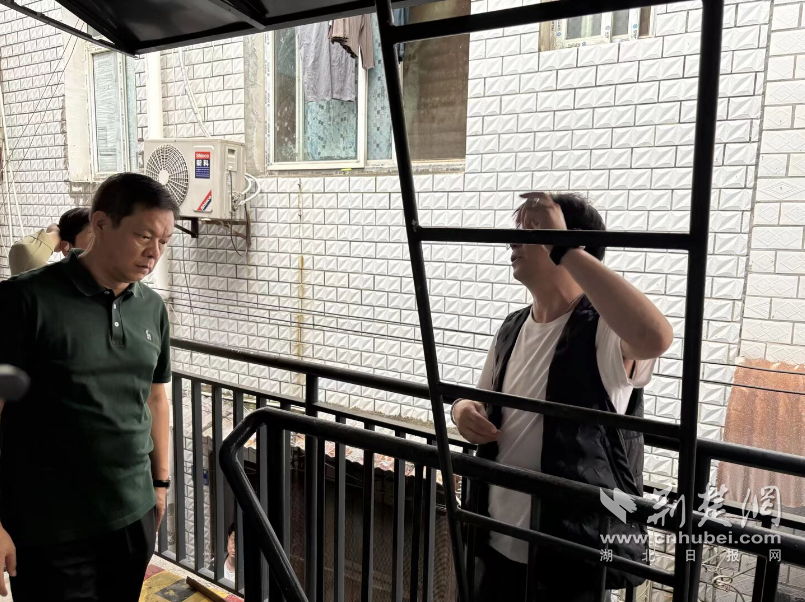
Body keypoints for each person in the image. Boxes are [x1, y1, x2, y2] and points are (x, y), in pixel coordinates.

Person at [452, 192, 674, 601]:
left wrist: (565, 247)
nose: (513, 241)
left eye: (532, 231)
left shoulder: (604, 329)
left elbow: (655, 336)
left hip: (573, 558)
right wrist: (461, 410)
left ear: (572, 243)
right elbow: (477, 400)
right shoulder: (512, 326)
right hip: (495, 538)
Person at [0, 173, 179, 601]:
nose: (154, 253)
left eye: (164, 241)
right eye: (143, 236)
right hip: (50, 528)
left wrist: (160, 485)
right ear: (100, 224)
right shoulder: (25, 300)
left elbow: (156, 397)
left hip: (133, 515)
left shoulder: (152, 307)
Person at [8, 207, 93, 276]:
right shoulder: (54, 284)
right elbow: (22, 251)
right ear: (66, 248)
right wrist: (54, 234)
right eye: (93, 238)